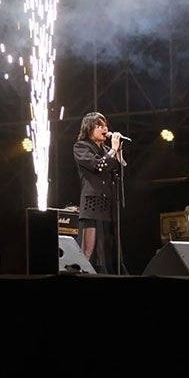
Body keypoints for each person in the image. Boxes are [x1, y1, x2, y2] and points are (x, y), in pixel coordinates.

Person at [73, 111, 128, 274]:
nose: (105, 129)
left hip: (109, 205)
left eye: (105, 126)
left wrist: (118, 153)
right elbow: (99, 166)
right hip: (93, 205)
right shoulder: (81, 147)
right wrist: (113, 150)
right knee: (89, 251)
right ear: (89, 128)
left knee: (109, 250)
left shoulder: (107, 149)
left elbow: (121, 171)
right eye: (99, 126)